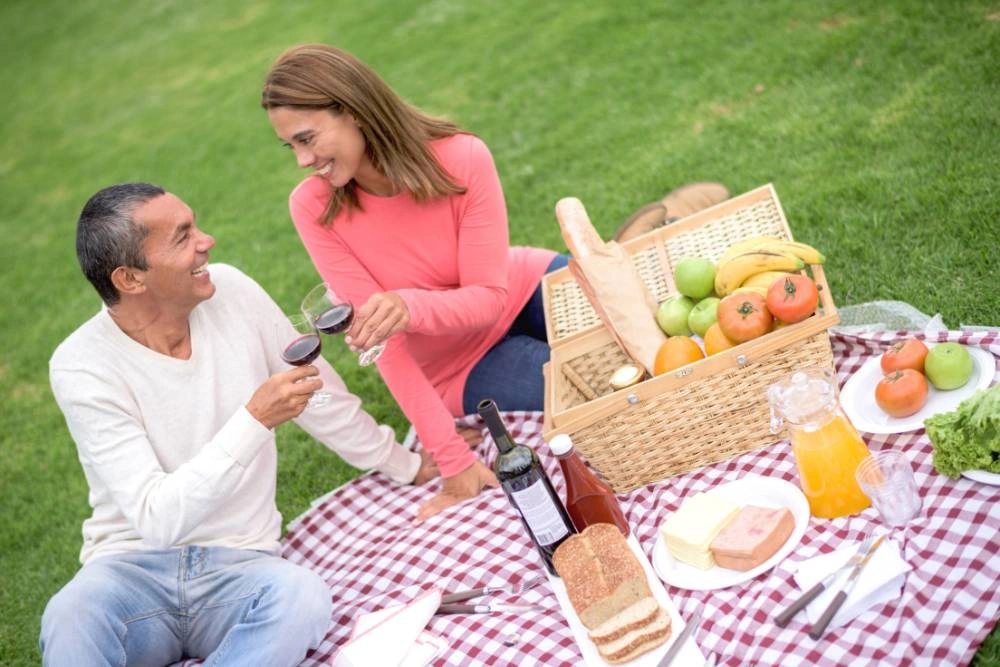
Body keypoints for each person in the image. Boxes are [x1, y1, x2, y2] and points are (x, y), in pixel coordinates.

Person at [261, 44, 729, 523]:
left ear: (354, 111)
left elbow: (487, 299)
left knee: (657, 342)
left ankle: (624, 251)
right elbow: (388, 346)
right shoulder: (314, 208)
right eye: (291, 146)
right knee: (610, 390)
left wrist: (407, 305)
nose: (301, 160)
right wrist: (453, 460)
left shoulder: (460, 156)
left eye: (307, 138)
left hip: (517, 286)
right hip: (457, 365)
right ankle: (617, 253)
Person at [41, 183, 436, 666]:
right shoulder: (81, 364)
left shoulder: (231, 289)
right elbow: (158, 519)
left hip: (241, 569)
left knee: (302, 598)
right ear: (130, 279)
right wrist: (255, 420)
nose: (208, 241)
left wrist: (406, 463)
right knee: (70, 616)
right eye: (183, 237)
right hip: (128, 575)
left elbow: (321, 397)